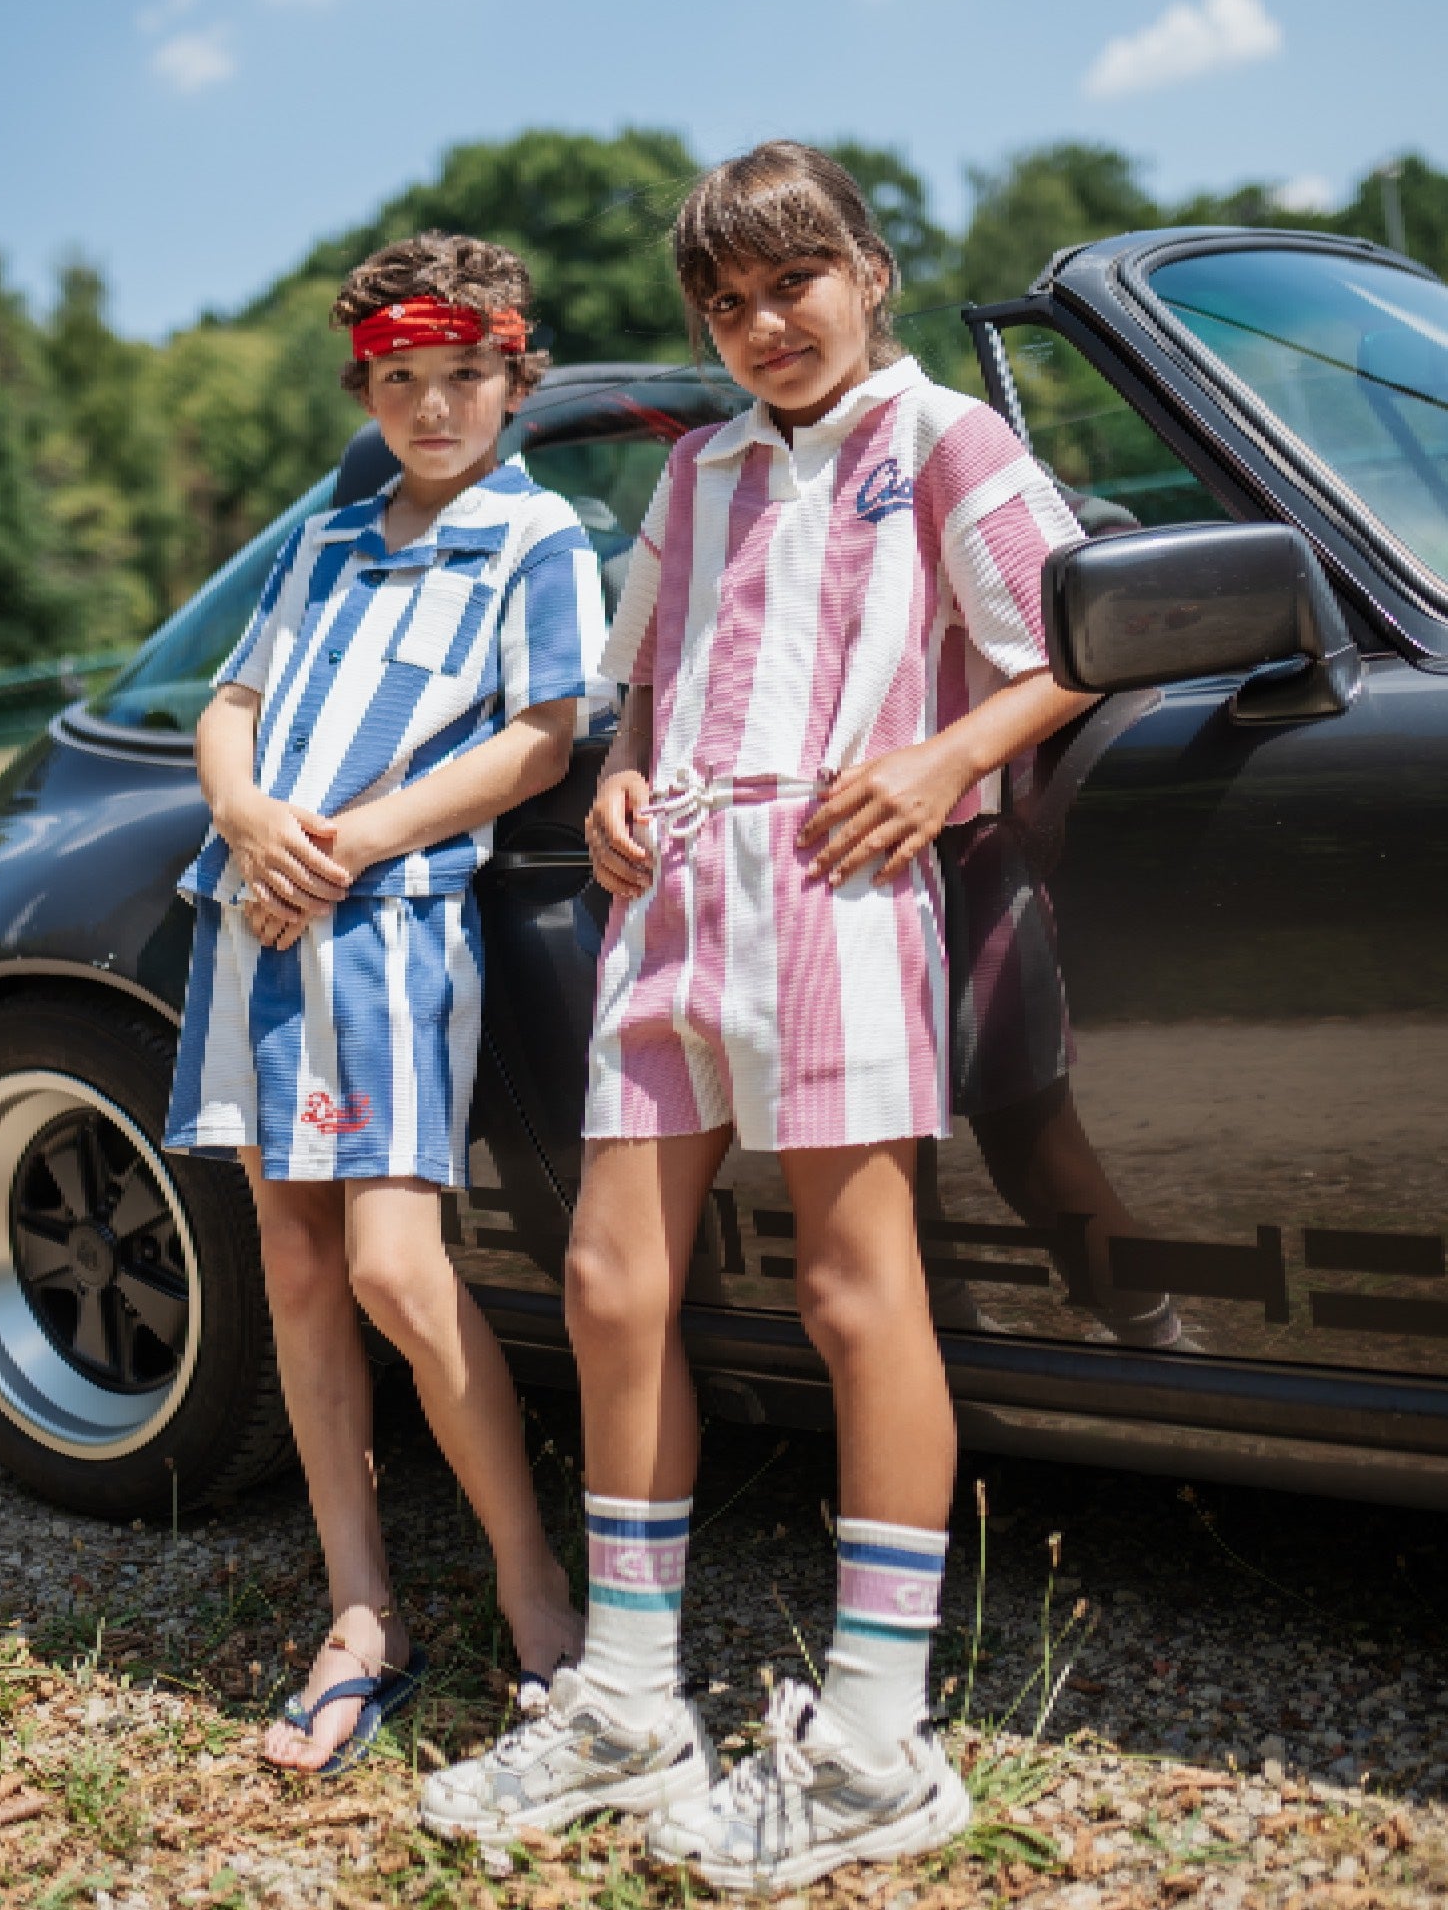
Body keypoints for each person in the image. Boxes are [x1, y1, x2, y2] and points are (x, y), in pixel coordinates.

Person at [420, 143, 1097, 1891]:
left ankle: (880, 1738)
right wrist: (625, 782)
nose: (761, 326)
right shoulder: (699, 474)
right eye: (724, 306)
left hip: (838, 881)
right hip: (674, 902)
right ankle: (632, 1697)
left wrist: (943, 760)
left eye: (790, 283)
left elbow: (1072, 639)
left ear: (868, 267)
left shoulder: (942, 439)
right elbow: (641, 688)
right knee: (607, 1278)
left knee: (853, 1287)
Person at [164, 232, 596, 1775]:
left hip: (387, 931)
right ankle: (363, 1613)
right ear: (368, 383)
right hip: (255, 922)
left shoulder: (539, 542)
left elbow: (541, 741)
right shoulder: (323, 540)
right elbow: (233, 705)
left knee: (400, 1271)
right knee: (292, 1264)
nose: (432, 406)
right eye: (401, 379)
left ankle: (536, 1585)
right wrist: (244, 817)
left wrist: (340, 845)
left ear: (511, 375)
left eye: (463, 375)